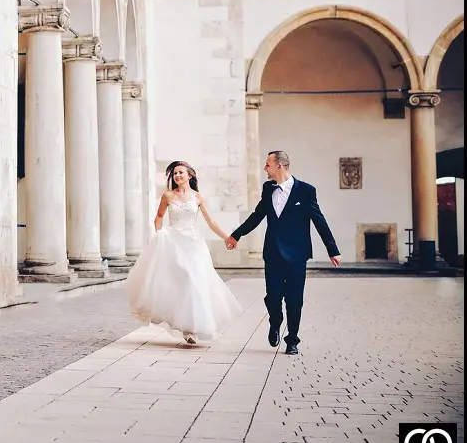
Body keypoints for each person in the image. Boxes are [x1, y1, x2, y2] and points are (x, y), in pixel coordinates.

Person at [226, 150, 340, 356]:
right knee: (273, 297)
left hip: (297, 255)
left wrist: (332, 249)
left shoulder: (305, 190)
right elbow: (257, 216)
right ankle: (275, 323)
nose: (264, 169)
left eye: (267, 164)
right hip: (273, 253)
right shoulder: (268, 188)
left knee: (295, 299)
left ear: (280, 165)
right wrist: (236, 235)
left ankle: (292, 340)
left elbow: (319, 220)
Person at [127, 161, 244, 345]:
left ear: (190, 175)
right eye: (174, 174)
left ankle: (191, 328)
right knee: (182, 281)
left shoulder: (198, 198)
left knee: (194, 281)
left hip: (193, 244)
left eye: (180, 173)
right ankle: (185, 326)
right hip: (173, 242)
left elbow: (211, 222)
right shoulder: (167, 196)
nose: (177, 176)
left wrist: (227, 238)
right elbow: (159, 217)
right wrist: (158, 235)